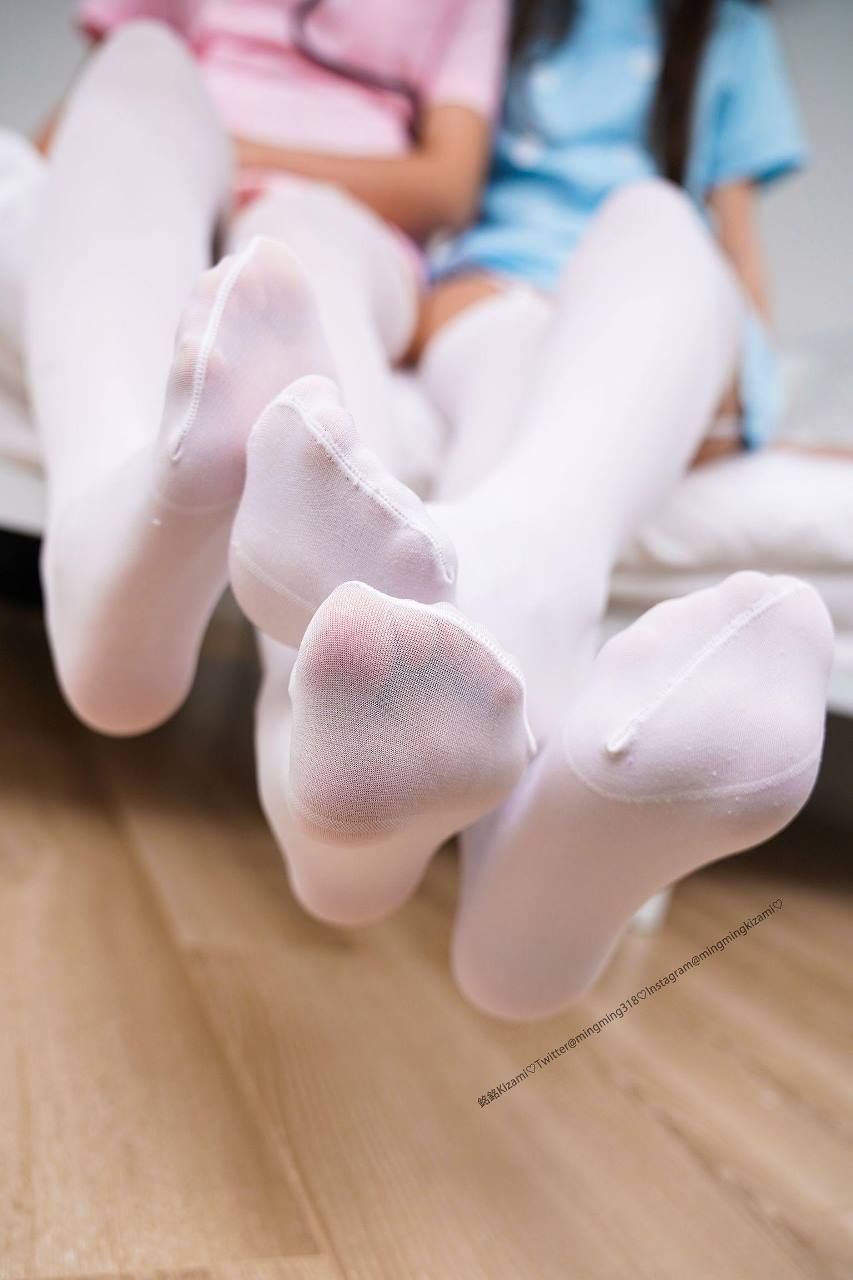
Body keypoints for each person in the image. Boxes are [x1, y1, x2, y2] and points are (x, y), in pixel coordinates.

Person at [249, 0, 832, 1018]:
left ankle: (347, 828)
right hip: (500, 295)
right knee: (531, 381)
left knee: (659, 218)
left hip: (660, 317)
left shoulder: (725, 35)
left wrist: (756, 403)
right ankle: (526, 891)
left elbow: (737, 259)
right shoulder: (495, 17)